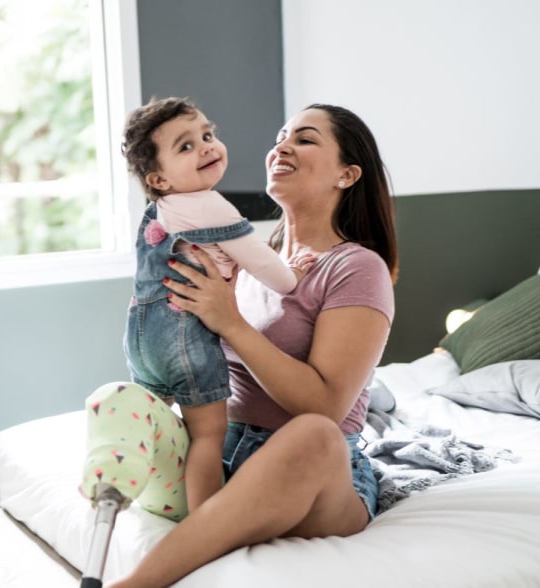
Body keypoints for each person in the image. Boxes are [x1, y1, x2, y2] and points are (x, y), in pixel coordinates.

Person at [101, 103, 398, 588]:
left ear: (347, 174)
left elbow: (323, 406)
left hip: (312, 471)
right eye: (280, 136)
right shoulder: (244, 258)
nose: (281, 146)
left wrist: (231, 322)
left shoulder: (356, 268)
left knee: (314, 435)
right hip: (223, 455)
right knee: (120, 399)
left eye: (304, 139)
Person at [81, 97, 312, 521]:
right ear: (160, 178)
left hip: (142, 336)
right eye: (185, 146)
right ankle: (206, 525)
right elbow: (268, 269)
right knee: (207, 434)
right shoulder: (210, 204)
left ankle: (135, 481)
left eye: (208, 134)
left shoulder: (161, 210)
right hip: (184, 338)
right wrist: (293, 273)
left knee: (156, 420)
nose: (207, 146)